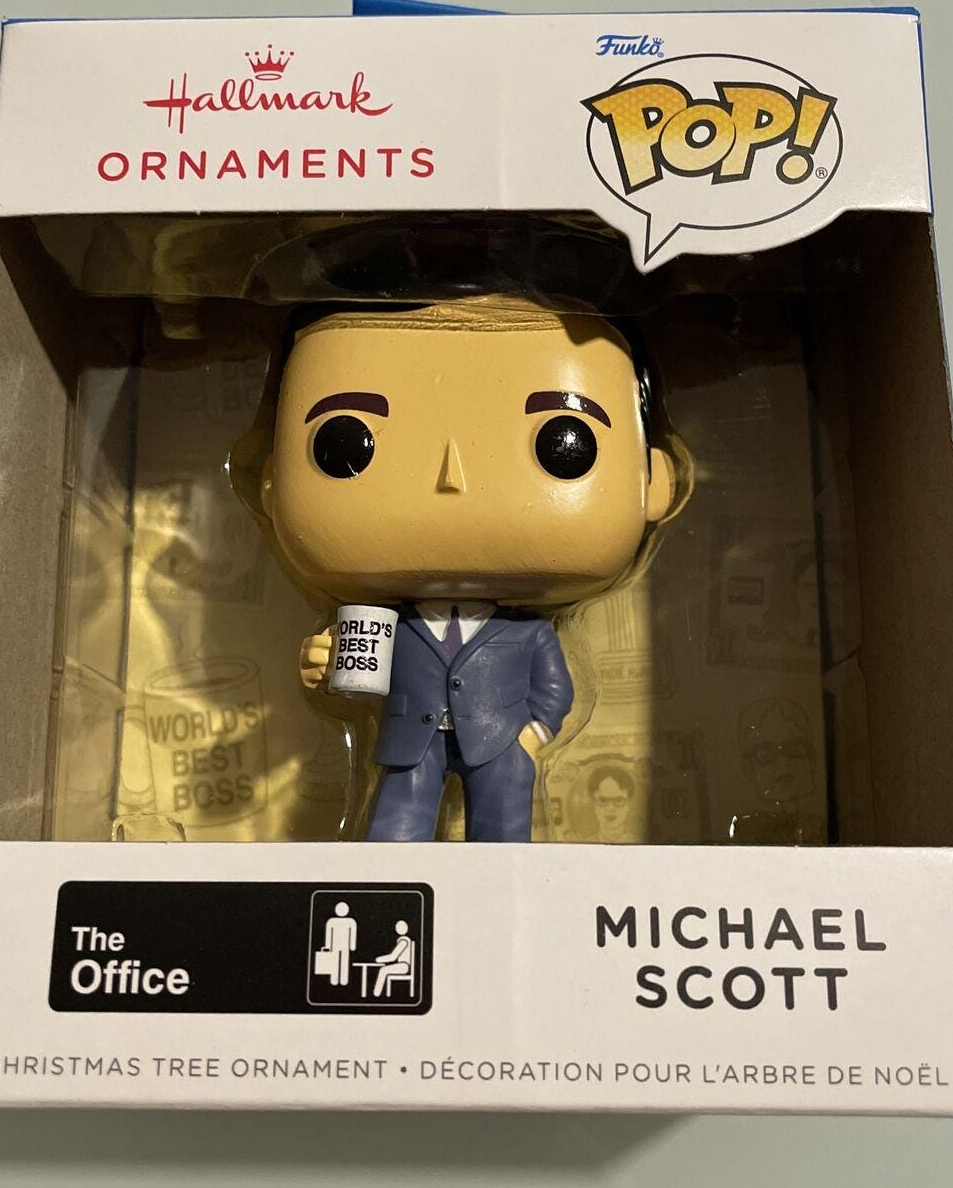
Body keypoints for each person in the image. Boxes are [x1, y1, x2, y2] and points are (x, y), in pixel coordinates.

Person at [236, 277, 683, 843]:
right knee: (395, 837)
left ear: (653, 480)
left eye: (564, 442)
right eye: (343, 444)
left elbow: (556, 689)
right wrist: (326, 670)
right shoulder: (386, 625)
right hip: (409, 745)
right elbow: (356, 676)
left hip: (501, 744)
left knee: (501, 841)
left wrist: (532, 737)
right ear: (270, 481)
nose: (453, 477)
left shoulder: (528, 632)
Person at [373, 920, 414, 997]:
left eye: (400, 927)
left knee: (383, 970)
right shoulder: (403, 940)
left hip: (404, 966)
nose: (398, 929)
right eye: (398, 927)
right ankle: (376, 993)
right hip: (402, 965)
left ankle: (376, 994)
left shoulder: (404, 941)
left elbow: (393, 957)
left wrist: (378, 959)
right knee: (383, 969)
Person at [320, 901, 356, 987]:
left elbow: (353, 934)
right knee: (335, 961)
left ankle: (344, 980)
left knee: (344, 961)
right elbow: (328, 934)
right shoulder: (331, 921)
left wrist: (352, 945)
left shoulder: (351, 921)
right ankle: (334, 979)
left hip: (344, 945)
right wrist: (328, 946)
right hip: (335, 944)